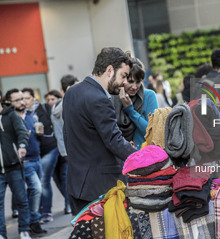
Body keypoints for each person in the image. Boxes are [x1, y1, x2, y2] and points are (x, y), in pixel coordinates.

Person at [63, 47, 137, 214]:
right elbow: (114, 140)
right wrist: (142, 158)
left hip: (77, 183)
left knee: (88, 238)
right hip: (100, 187)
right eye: (123, 76)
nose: (125, 82)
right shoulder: (99, 98)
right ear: (109, 70)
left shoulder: (72, 92)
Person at [5, 89, 47, 235]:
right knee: (36, 189)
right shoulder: (10, 118)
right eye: (17, 100)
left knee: (35, 190)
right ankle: (33, 220)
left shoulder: (31, 115)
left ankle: (32, 220)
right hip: (25, 161)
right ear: (8, 102)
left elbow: (38, 137)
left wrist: (39, 134)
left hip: (37, 158)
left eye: (22, 99)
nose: (21, 102)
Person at [22, 88, 59, 223]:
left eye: (27, 98)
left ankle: (46, 212)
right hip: (35, 153)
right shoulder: (22, 115)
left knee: (44, 180)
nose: (24, 101)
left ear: (33, 98)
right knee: (37, 183)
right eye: (22, 98)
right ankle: (38, 210)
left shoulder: (41, 109)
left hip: (49, 148)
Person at [0, 89, 31, 239]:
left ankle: (24, 229)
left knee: (21, 200)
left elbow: (22, 133)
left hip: (12, 166)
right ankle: (1, 235)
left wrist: (21, 146)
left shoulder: (10, 115)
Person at [112, 57, 158, 150]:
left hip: (144, 154)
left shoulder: (149, 96)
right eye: (130, 81)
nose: (135, 87)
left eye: (138, 82)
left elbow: (152, 132)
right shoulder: (112, 97)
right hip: (119, 154)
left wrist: (130, 110)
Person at [51, 74, 78, 215]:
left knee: (69, 180)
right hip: (72, 149)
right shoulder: (68, 105)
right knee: (73, 181)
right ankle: (74, 210)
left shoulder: (55, 107)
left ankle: (72, 210)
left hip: (64, 149)